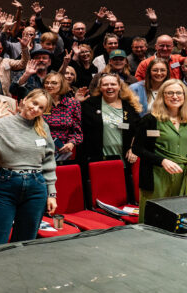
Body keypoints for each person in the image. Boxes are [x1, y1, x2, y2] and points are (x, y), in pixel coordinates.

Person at [0, 89, 57, 246]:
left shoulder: (43, 127)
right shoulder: (3, 123)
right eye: (34, 103)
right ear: (24, 100)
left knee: (26, 240)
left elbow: (49, 162)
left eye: (41, 108)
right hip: (6, 184)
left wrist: (52, 194)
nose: (36, 109)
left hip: (36, 187)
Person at [79, 73, 141, 202]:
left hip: (123, 161)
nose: (109, 87)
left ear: (119, 87)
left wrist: (133, 148)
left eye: (113, 84)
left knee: (122, 198)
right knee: (100, 197)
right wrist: (76, 103)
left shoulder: (129, 107)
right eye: (105, 84)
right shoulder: (90, 104)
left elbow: (138, 130)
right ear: (100, 87)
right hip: (97, 160)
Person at [134, 79, 187, 217]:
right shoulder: (150, 120)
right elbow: (137, 149)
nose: (175, 96)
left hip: (183, 176)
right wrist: (162, 161)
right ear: (162, 96)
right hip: (156, 175)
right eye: (170, 93)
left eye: (178, 93)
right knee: (155, 217)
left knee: (178, 217)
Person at [42, 71, 83, 162]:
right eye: (47, 82)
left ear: (62, 85)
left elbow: (77, 130)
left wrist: (71, 143)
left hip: (64, 151)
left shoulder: (73, 104)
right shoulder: (40, 102)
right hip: (42, 150)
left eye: (54, 83)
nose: (49, 85)